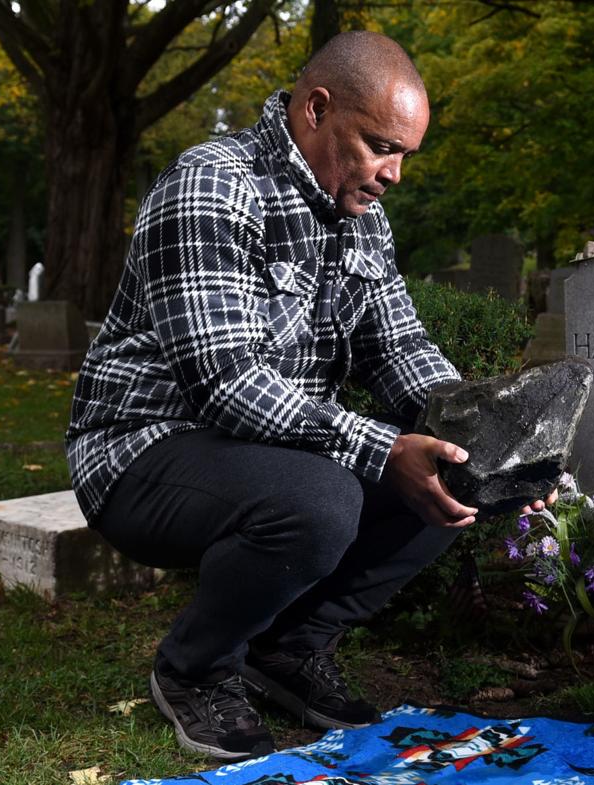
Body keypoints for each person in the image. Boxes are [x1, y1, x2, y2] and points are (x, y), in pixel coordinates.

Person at [66, 31, 548, 761]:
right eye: (382, 146)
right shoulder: (213, 184)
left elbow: (400, 348)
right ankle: (196, 667)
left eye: (404, 156)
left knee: (456, 473)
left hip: (266, 453)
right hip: (142, 450)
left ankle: (288, 649)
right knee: (321, 498)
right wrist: (384, 447)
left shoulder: (364, 217)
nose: (393, 174)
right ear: (316, 109)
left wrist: (482, 437)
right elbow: (227, 385)